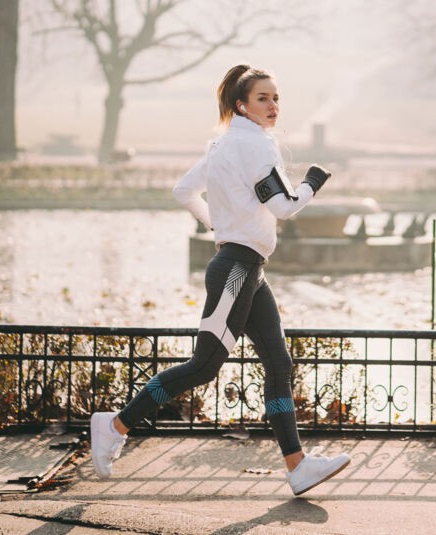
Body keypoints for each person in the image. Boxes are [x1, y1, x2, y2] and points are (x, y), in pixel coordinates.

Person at [90, 64, 350, 496]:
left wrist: (220, 226)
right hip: (235, 271)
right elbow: (285, 207)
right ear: (242, 105)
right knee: (204, 366)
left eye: (276, 98)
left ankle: (298, 465)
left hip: (247, 268)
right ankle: (115, 425)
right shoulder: (255, 145)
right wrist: (312, 183)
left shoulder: (224, 144)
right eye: (263, 98)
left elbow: (183, 191)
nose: (273, 106)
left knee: (278, 364)